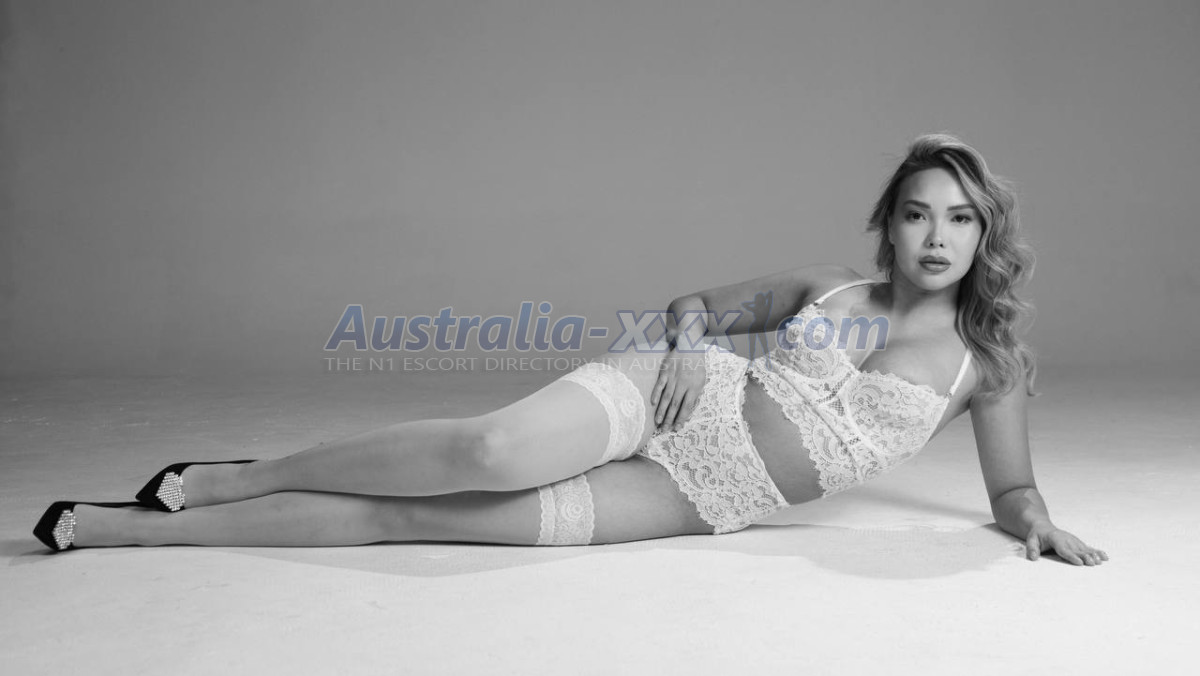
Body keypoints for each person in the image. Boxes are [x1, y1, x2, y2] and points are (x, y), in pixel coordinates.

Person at [33, 133, 1108, 566]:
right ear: (890, 224)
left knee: (426, 525)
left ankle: (129, 532)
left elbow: (1011, 486)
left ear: (985, 234)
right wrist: (683, 346)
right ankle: (232, 477)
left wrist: (1035, 523)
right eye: (918, 213)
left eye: (959, 219)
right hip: (672, 395)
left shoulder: (986, 367)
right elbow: (694, 306)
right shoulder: (825, 286)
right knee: (486, 452)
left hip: (704, 494)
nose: (936, 237)